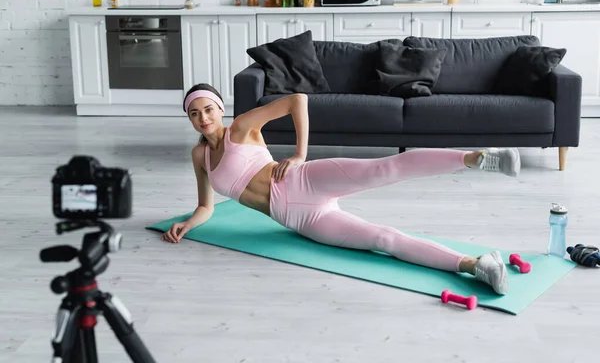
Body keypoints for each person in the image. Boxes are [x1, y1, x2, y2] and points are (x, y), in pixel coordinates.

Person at [162, 83, 522, 295]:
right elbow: (206, 206)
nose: (204, 117)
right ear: (189, 119)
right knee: (383, 240)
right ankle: (478, 265)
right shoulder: (200, 156)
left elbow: (296, 100)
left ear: (220, 108)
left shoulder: (241, 128)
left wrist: (300, 154)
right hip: (301, 219)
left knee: (385, 168)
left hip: (301, 180)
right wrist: (187, 225)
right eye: (195, 113)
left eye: (209, 109)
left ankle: (478, 159)